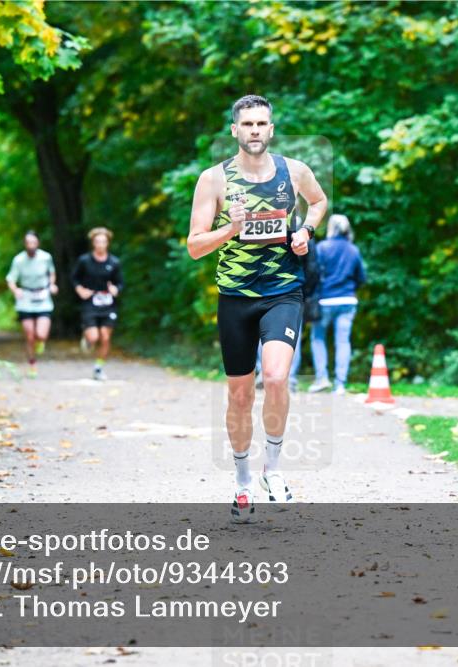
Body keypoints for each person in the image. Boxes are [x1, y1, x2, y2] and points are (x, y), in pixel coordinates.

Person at [188, 94, 328, 522]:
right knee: (240, 394)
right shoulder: (214, 180)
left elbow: (318, 203)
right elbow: (195, 246)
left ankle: (274, 471)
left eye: (260, 124)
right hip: (235, 297)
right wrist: (230, 228)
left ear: (271, 129)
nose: (253, 130)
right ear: (235, 130)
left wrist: (304, 230)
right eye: (246, 124)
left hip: (283, 290)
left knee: (277, 376)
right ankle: (242, 481)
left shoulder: (295, 172)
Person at [254, 218, 322, 392]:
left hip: (266, 289)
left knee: (264, 334)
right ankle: (288, 378)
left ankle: (264, 372)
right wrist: (307, 291)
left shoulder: (268, 227)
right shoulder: (305, 236)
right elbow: (313, 268)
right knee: (292, 337)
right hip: (293, 292)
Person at [308, 214, 366, 395]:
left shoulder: (322, 248)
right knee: (343, 341)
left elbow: (313, 273)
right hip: (347, 300)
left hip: (325, 299)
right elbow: (361, 278)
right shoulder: (353, 250)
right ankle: (340, 384)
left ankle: (322, 378)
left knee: (318, 338)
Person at [73, 227, 124, 381]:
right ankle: (87, 338)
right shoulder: (84, 261)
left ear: (108, 243)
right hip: (90, 302)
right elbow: (75, 278)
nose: (100, 244)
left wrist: (116, 289)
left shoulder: (114, 262)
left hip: (108, 303)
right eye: (97, 242)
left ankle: (98, 367)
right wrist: (80, 289)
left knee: (105, 337)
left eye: (103, 241)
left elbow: (120, 282)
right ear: (93, 243)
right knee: (94, 337)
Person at [5, 231, 58, 376]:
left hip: (42, 296)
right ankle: (32, 364)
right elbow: (11, 279)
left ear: (38, 243)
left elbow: (51, 273)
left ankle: (41, 342)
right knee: (29, 335)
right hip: (26, 297)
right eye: (28, 243)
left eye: (33, 243)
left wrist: (52, 285)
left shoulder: (46, 257)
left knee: (40, 334)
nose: (31, 246)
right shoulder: (18, 260)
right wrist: (15, 290)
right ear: (25, 244)